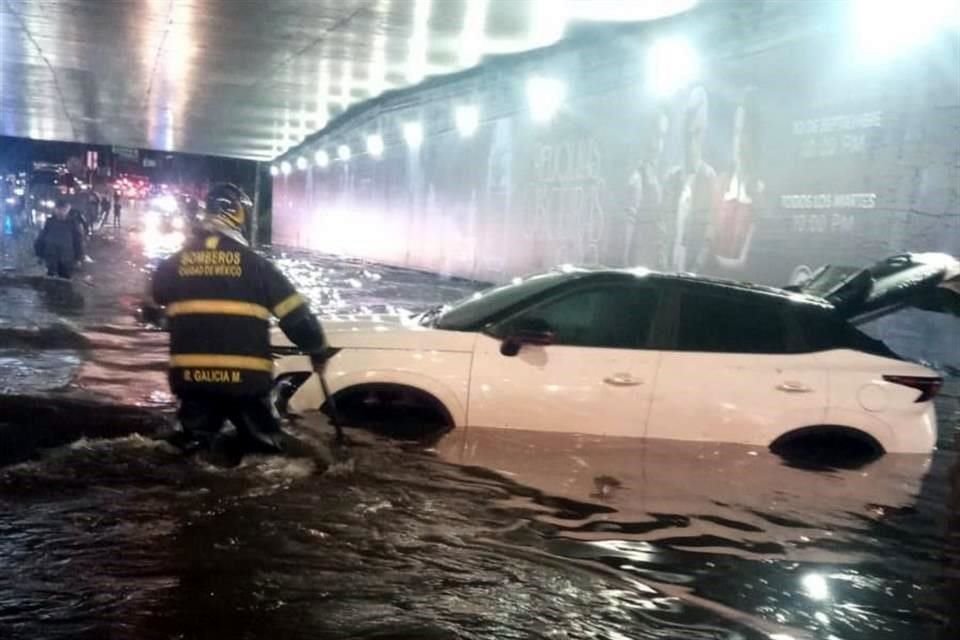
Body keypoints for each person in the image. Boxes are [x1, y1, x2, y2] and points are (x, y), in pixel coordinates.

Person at [150, 183, 330, 455]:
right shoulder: (257, 266)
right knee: (266, 452)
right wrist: (317, 349)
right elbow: (296, 317)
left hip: (191, 379)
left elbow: (152, 306)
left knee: (189, 448)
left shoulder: (172, 265)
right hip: (245, 381)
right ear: (238, 214)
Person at [34, 198, 84, 279]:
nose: (62, 212)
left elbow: (78, 241)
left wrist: (78, 258)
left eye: (65, 209)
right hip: (51, 257)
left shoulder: (73, 223)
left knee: (65, 282)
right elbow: (41, 238)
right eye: (60, 209)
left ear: (68, 209)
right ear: (56, 209)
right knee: (51, 281)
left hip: (67, 259)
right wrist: (39, 254)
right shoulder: (50, 222)